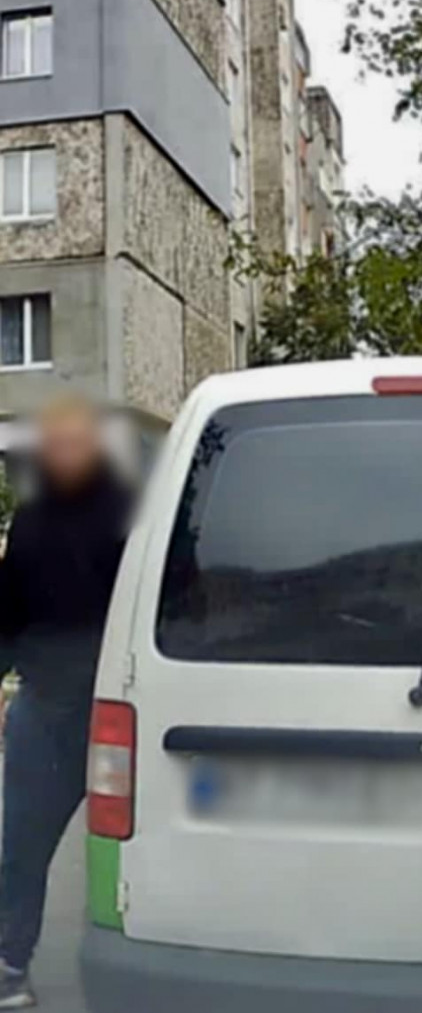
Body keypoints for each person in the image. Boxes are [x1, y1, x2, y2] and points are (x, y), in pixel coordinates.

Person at [0, 396, 133, 1009]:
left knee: (146, 844)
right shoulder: (34, 517)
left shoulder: (131, 512)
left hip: (124, 707)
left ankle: (158, 960)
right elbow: (9, 607)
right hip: (48, 705)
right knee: (21, 846)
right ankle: (8, 965)